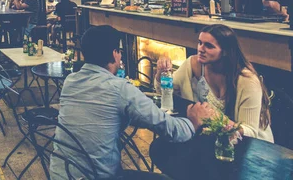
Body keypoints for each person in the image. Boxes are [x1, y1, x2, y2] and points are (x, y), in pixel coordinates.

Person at [50, 25, 214, 180]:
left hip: (60, 173)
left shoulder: (70, 81)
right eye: (119, 51)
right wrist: (193, 122)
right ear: (115, 53)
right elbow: (172, 130)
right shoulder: (119, 88)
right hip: (97, 176)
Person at [154, 24, 273, 141]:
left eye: (209, 46)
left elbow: (250, 133)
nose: (201, 49)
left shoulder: (247, 81)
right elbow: (163, 91)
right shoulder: (192, 65)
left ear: (225, 52)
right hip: (213, 140)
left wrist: (215, 117)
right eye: (200, 43)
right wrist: (162, 73)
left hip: (253, 148)